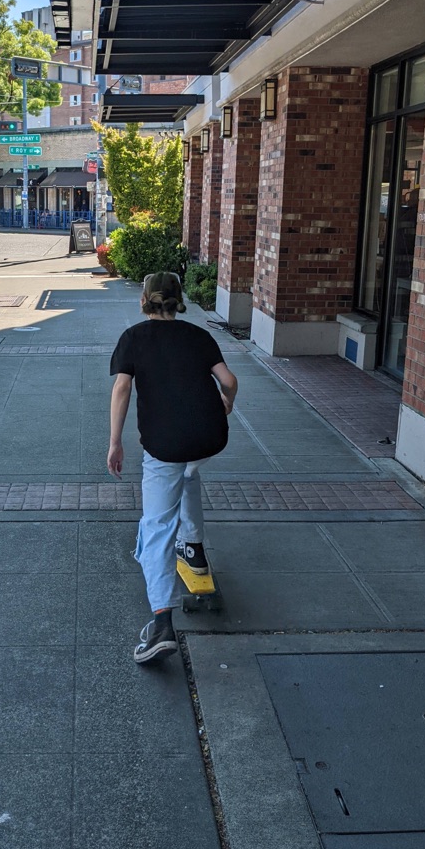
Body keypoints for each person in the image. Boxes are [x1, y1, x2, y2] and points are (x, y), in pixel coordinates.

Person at [107, 271, 238, 664]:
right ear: (178, 300)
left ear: (145, 300)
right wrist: (226, 403)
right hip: (209, 438)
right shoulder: (198, 336)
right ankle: (193, 547)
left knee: (156, 526)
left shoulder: (134, 338)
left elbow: (122, 389)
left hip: (165, 447)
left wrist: (115, 443)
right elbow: (229, 380)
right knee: (189, 472)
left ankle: (162, 622)